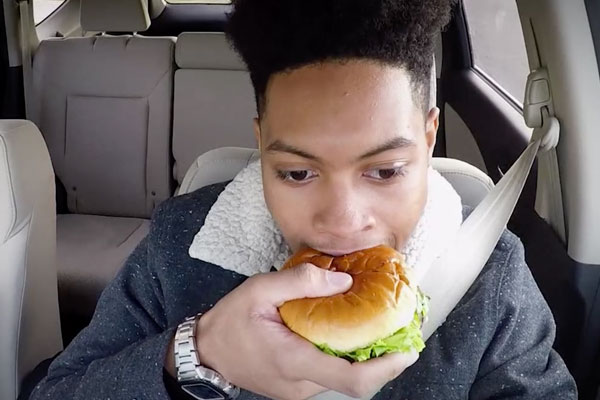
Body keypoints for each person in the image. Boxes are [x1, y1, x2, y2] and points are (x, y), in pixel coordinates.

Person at [29, 0, 577, 399]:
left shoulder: (489, 273)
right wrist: (197, 353)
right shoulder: (179, 246)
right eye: (295, 172)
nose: (342, 222)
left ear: (429, 138)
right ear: (261, 143)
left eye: (385, 170)